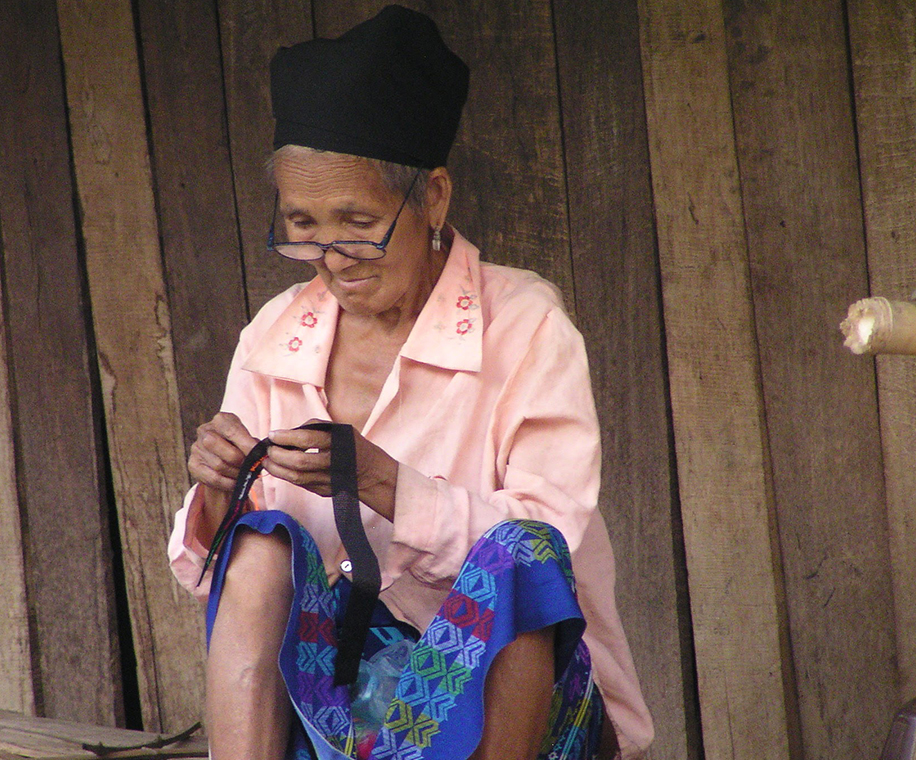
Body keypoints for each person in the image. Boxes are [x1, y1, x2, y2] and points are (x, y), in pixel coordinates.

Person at [168, 6, 653, 759]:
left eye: (357, 222)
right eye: (302, 225)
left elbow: (551, 553)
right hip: (339, 712)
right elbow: (214, 580)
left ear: (432, 197)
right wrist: (222, 491)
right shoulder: (275, 337)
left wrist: (390, 486)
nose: (331, 257)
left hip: (515, 712)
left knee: (518, 555)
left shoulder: (523, 327)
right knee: (260, 543)